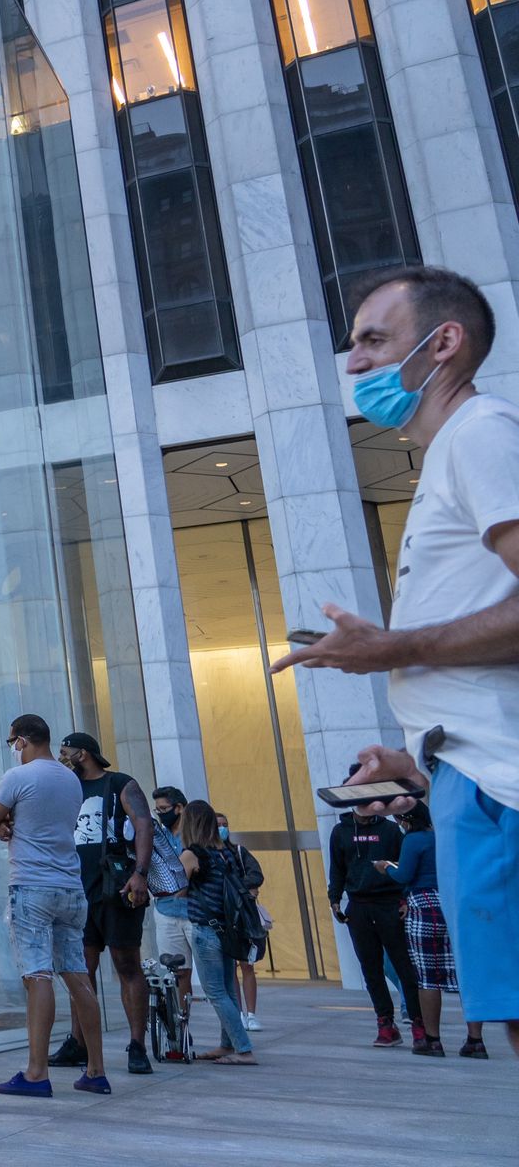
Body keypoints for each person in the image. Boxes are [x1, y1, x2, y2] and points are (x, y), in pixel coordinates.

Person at [272, 266, 519, 1054]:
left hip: (503, 789)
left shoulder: (481, 434)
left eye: (373, 339)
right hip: (470, 777)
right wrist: (414, 762)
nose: (354, 364)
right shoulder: (450, 454)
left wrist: (390, 649)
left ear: (443, 343)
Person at [0, 714, 109, 1098]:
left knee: (37, 975)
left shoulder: (18, 777)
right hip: (70, 887)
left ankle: (37, 1072)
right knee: (77, 976)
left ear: (21, 740)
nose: (13, 750)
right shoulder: (70, 779)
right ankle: (96, 1070)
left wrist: (4, 823)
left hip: (32, 886)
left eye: (12, 743)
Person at [48, 732, 155, 1076]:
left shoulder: (120, 783)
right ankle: (79, 1043)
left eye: (66, 753)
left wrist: (139, 873)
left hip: (117, 889)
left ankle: (137, 1045)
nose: (62, 758)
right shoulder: (67, 788)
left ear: (84, 753)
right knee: (81, 971)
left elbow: (143, 823)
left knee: (127, 965)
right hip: (77, 891)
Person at [379, 801, 486, 1058]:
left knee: (427, 978)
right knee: (464, 977)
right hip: (453, 906)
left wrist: (386, 867)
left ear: (406, 820)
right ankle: (475, 1041)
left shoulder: (413, 840)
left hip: (424, 908)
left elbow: (403, 875)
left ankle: (433, 1040)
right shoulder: (443, 838)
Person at [328, 791, 422, 1047]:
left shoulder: (391, 830)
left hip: (389, 904)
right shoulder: (340, 832)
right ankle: (385, 1024)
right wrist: (334, 899)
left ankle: (418, 1023)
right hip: (358, 906)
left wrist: (404, 900)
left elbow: (406, 868)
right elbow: (337, 868)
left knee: (404, 967)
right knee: (371, 969)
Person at [177, 800, 258, 1066]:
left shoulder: (193, 853)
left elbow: (176, 886)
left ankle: (243, 1049)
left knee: (216, 992)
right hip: (226, 930)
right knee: (227, 990)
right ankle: (227, 1044)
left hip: (205, 930)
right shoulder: (227, 852)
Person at [213, 809, 265, 1030]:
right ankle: (238, 1013)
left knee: (247, 965)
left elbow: (257, 875)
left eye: (225, 823)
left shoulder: (240, 852)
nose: (222, 828)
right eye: (218, 825)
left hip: (243, 916)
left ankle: (251, 1014)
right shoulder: (206, 855)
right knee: (229, 966)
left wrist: (237, 889)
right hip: (223, 917)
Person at [148, 787, 193, 1008]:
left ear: (179, 808)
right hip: (166, 910)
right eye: (157, 810)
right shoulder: (158, 835)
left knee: (213, 972)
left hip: (196, 910)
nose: (161, 814)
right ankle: (181, 1025)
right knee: (178, 972)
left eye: (164, 809)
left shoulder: (195, 835)